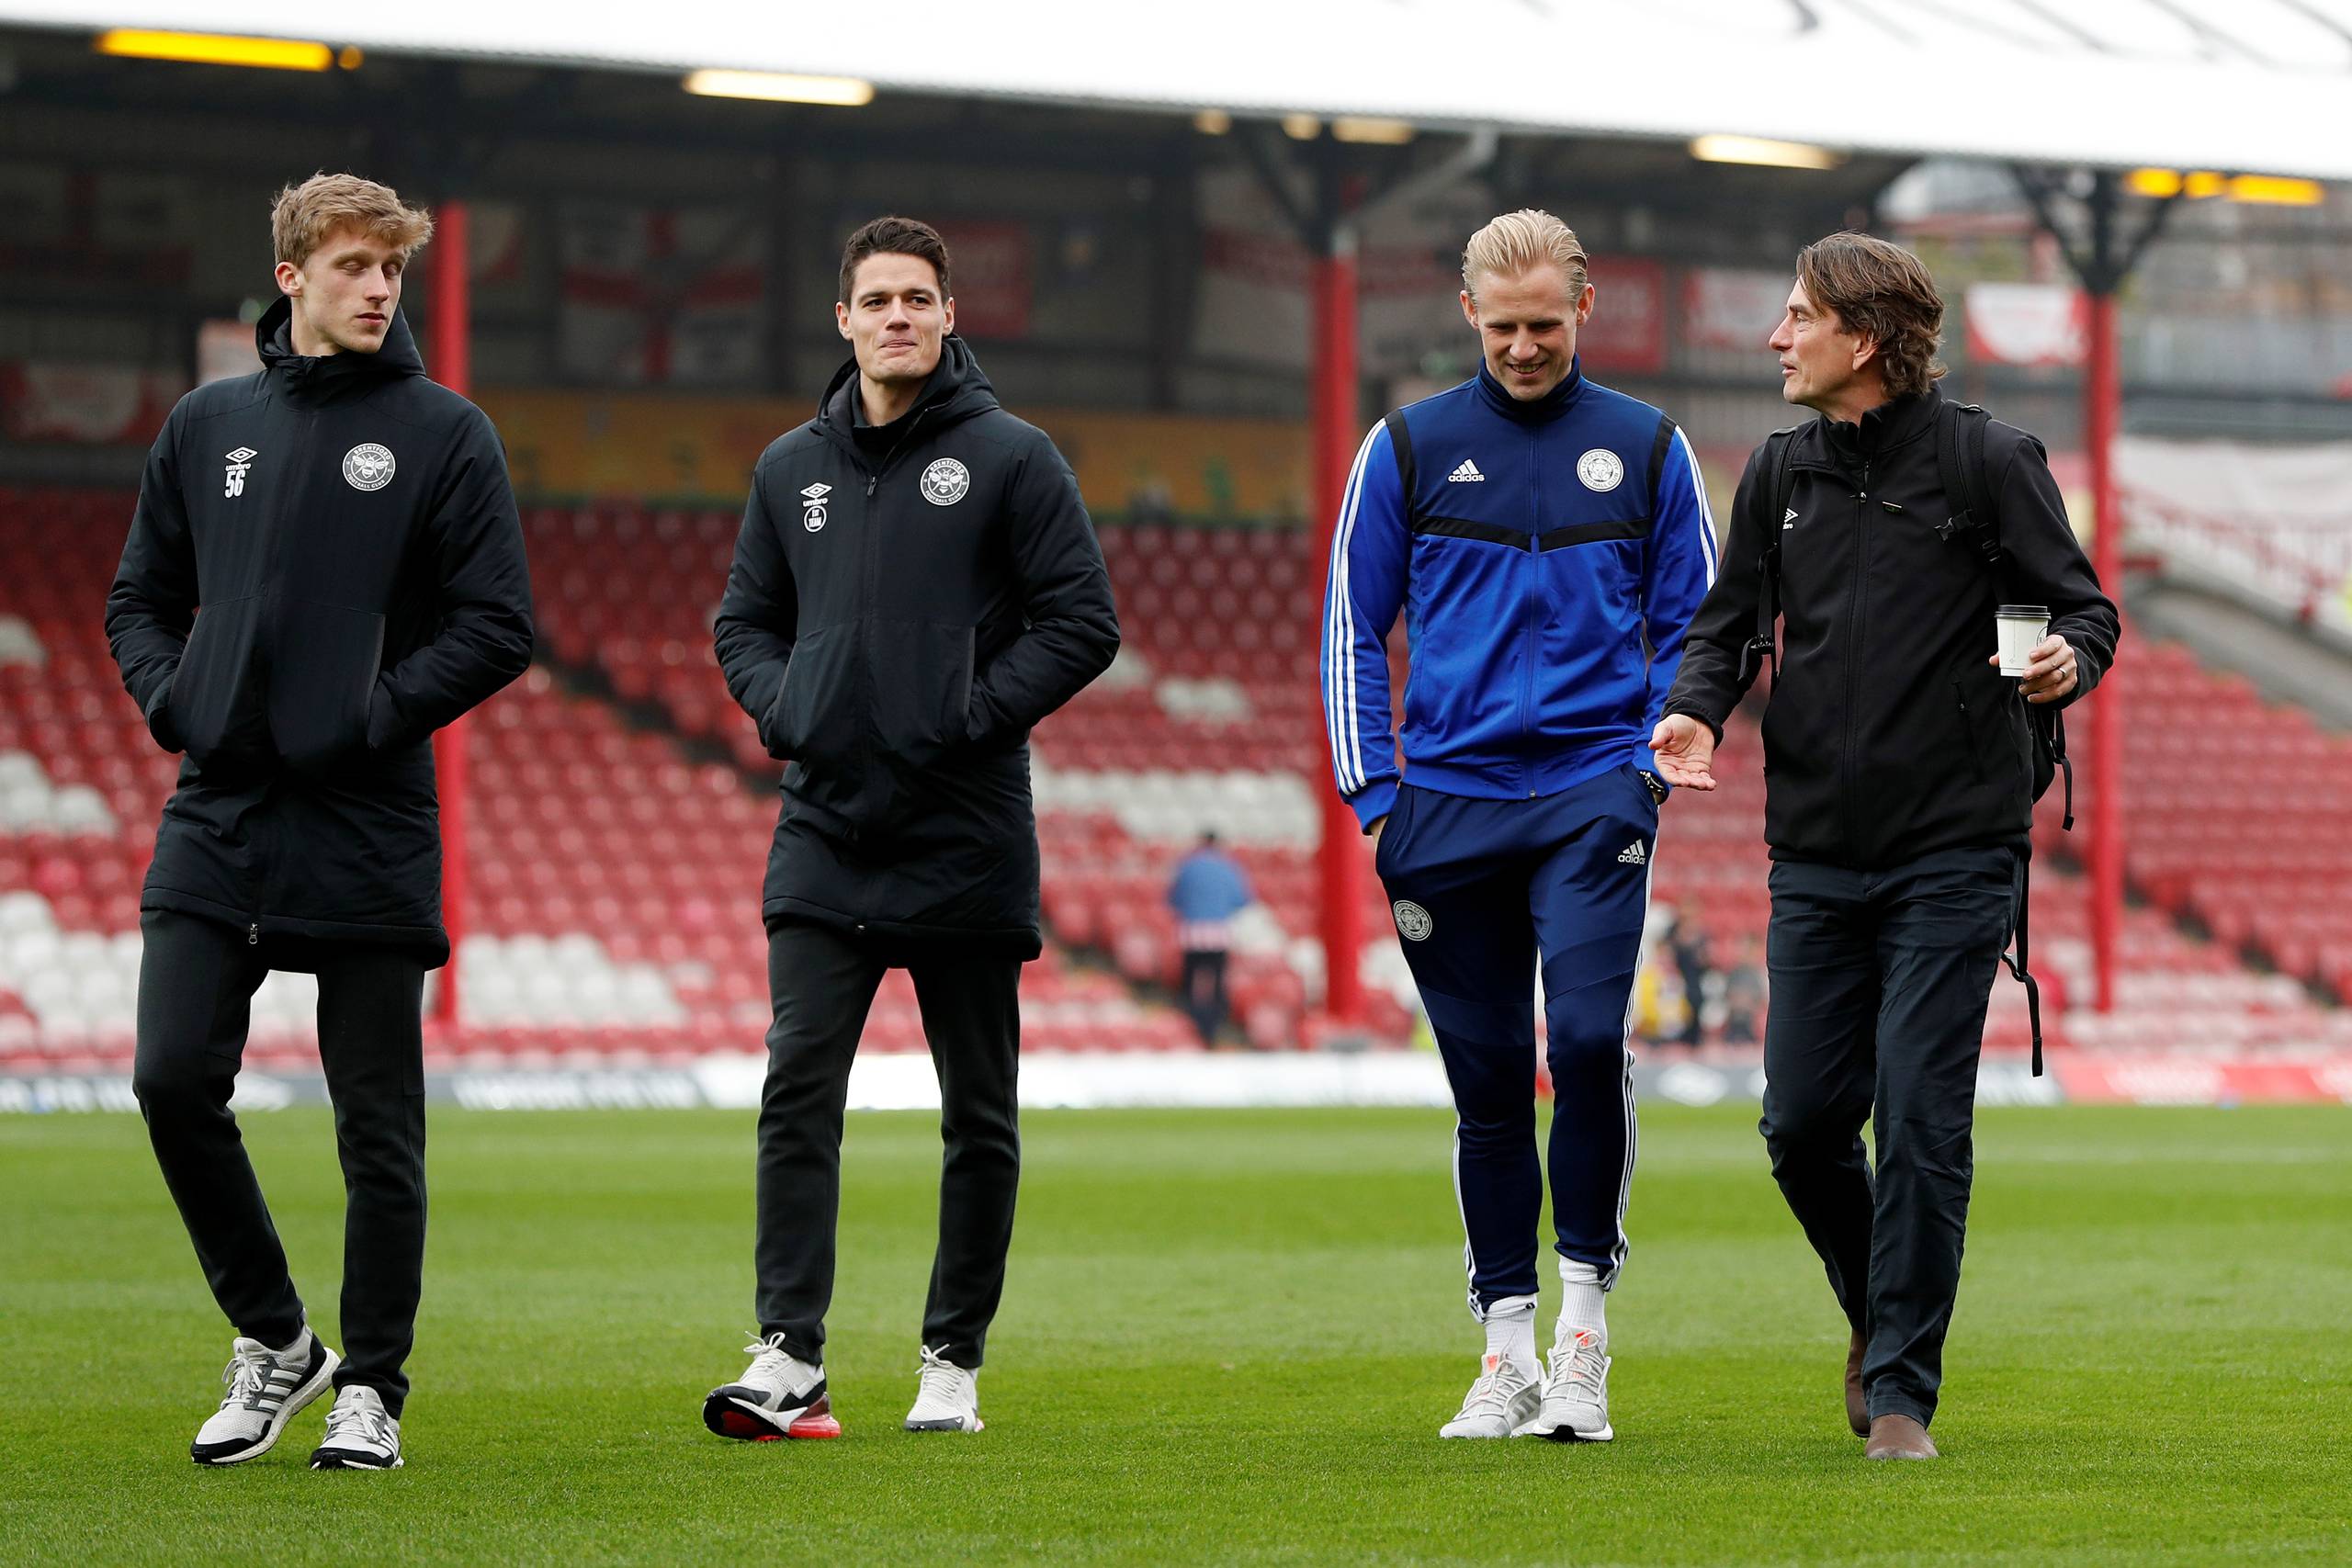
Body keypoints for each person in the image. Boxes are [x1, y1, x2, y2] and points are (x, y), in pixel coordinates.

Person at [1652, 232, 2118, 1461]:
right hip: (1812, 847)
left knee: (1919, 1118)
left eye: (1797, 315)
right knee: (1802, 1122)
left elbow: (2082, 606)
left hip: (1955, 849)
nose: (1776, 337)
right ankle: (1878, 1305)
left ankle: (1901, 1390)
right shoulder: (1778, 471)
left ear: (1861, 339)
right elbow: (1729, 621)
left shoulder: (1990, 461)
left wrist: (2072, 656)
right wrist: (1697, 705)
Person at [105, 172, 534, 1471]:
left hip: (367, 814)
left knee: (376, 1125)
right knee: (171, 1075)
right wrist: (176, 699)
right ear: (290, 275)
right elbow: (139, 595)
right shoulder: (205, 424)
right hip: (221, 803)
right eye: (352, 266)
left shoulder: (444, 431)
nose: (377, 288)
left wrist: (374, 709)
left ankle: (375, 1388)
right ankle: (278, 1338)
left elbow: (498, 625)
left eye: (391, 269)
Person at [705, 216, 1118, 1441]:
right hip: (826, 827)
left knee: (978, 1111)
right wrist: (794, 709)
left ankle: (952, 1355)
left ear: (948, 318)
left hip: (965, 831)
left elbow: (1081, 619)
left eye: (918, 298)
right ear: (843, 319)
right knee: (797, 1091)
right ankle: (790, 1358)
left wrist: (972, 715)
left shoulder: (1013, 458)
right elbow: (744, 624)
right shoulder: (791, 469)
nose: (897, 315)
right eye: (876, 297)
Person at [1320, 209, 1717, 1441]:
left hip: (1593, 789)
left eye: (1545, 324)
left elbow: (1696, 626)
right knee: (1488, 1077)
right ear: (1468, 315)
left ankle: (1586, 1328)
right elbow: (1351, 627)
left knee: (1589, 1037)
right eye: (1503, 328)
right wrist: (1377, 796)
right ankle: (1505, 1346)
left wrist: (1650, 758)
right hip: (1443, 801)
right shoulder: (1406, 447)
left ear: (1584, 306)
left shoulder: (1650, 445)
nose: (1525, 348)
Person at [1166, 830, 1253, 1044]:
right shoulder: (1228, 867)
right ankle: (1213, 1027)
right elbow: (1242, 899)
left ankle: (1192, 1025)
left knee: (1190, 982)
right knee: (1216, 984)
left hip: (1192, 934)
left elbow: (1173, 898)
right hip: (1218, 934)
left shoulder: (1187, 866)